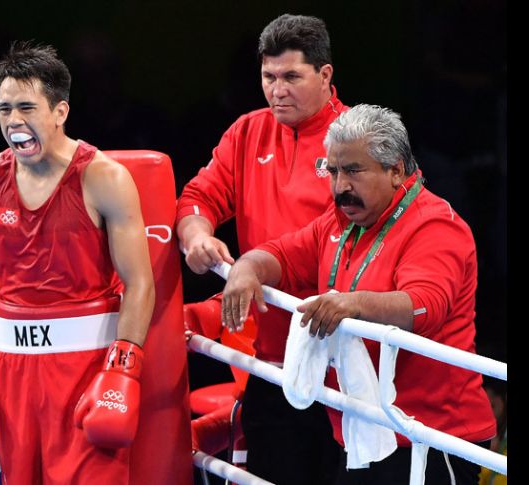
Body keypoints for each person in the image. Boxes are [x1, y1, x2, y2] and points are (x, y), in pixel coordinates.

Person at [221, 104, 497, 484]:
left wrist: (351, 304)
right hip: (362, 428)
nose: (339, 187)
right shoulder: (342, 221)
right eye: (333, 171)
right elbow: (282, 254)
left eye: (353, 171)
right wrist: (246, 268)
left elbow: (424, 307)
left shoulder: (435, 226)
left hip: (428, 436)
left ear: (396, 170)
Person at [0, 41, 155, 485]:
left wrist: (124, 367)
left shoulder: (104, 178)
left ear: (60, 112)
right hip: (14, 372)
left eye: (27, 108)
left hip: (87, 366)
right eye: (4, 109)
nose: (14, 122)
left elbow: (140, 281)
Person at [175, 13, 344, 484]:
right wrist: (198, 236)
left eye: (291, 76)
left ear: (325, 75)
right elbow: (196, 198)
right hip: (272, 358)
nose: (277, 90)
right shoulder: (248, 132)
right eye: (269, 77)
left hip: (343, 355)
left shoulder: (357, 140)